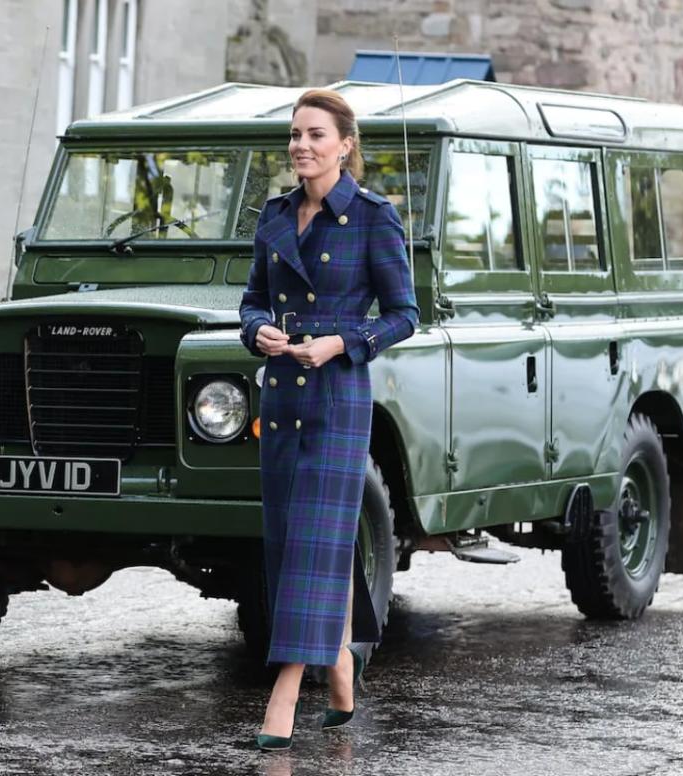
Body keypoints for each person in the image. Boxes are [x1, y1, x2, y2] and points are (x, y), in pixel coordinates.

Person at [239, 88, 419, 750]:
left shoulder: (373, 217)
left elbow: (404, 313)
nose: (301, 146)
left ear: (344, 145)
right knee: (299, 548)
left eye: (315, 134)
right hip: (281, 402)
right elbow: (253, 299)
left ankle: (284, 691)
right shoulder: (276, 213)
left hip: (338, 399)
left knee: (314, 546)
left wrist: (340, 342)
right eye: (294, 134)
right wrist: (256, 330)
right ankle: (340, 664)